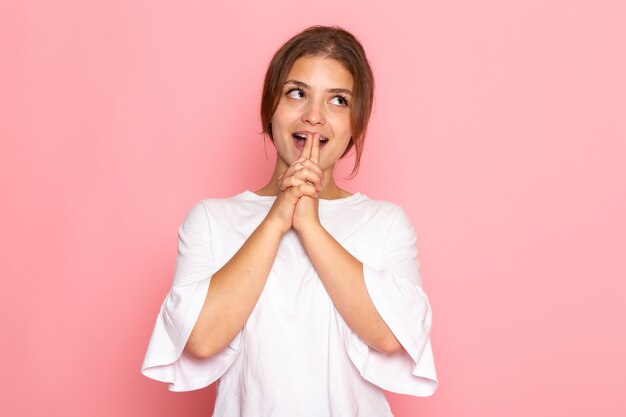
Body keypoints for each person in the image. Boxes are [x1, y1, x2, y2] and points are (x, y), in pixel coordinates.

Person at [141, 25, 438, 416]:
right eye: (297, 93)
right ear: (270, 108)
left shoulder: (386, 223)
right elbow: (200, 338)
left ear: (355, 124)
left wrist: (310, 225)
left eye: (337, 100)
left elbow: (390, 336)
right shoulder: (211, 219)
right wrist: (278, 217)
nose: (313, 116)